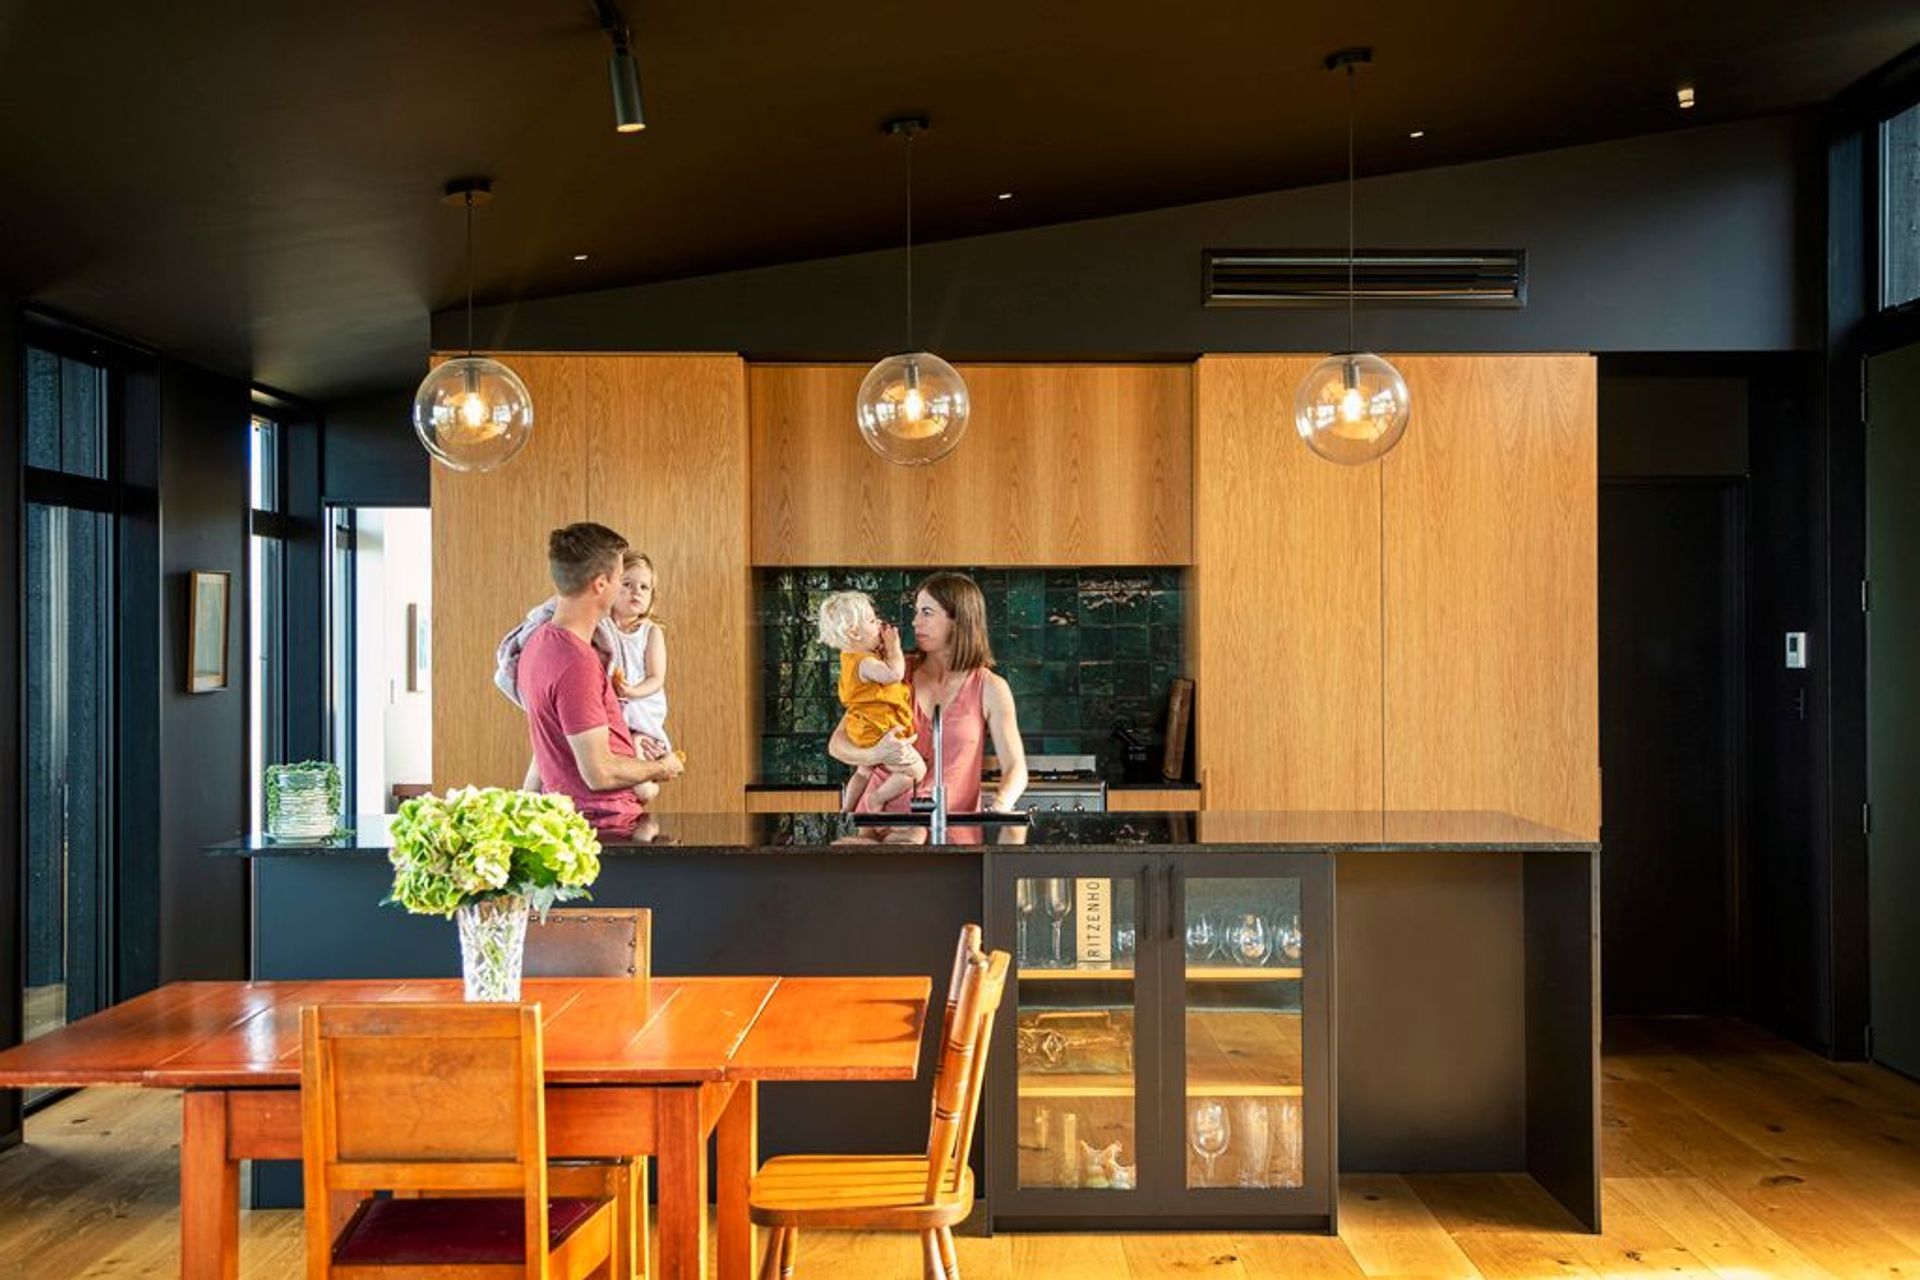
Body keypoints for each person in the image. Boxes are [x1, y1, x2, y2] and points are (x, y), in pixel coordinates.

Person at [517, 522, 682, 826]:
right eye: (621, 579)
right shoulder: (576, 663)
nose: (626, 588)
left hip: (574, 821)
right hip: (600, 825)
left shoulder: (538, 644)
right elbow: (599, 773)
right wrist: (661, 768)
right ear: (601, 584)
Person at [827, 572, 1030, 817]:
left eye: (926, 612)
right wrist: (876, 754)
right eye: (916, 611)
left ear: (959, 620)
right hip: (877, 827)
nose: (914, 622)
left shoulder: (990, 687)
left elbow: (1016, 769)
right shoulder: (894, 672)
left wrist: (999, 808)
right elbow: (838, 744)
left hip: (951, 835)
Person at [816, 590, 925, 812]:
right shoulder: (865, 663)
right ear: (855, 633)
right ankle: (877, 798)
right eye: (872, 620)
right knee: (915, 771)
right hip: (880, 731)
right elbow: (894, 674)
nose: (880, 624)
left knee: (863, 771)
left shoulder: (850, 660)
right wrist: (894, 648)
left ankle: (846, 809)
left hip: (863, 730)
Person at [609, 551, 671, 756]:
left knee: (638, 746)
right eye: (627, 584)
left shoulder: (650, 632)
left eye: (644, 587)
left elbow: (656, 678)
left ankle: (645, 784)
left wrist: (632, 692)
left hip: (641, 702)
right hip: (613, 705)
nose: (636, 591)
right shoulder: (602, 627)